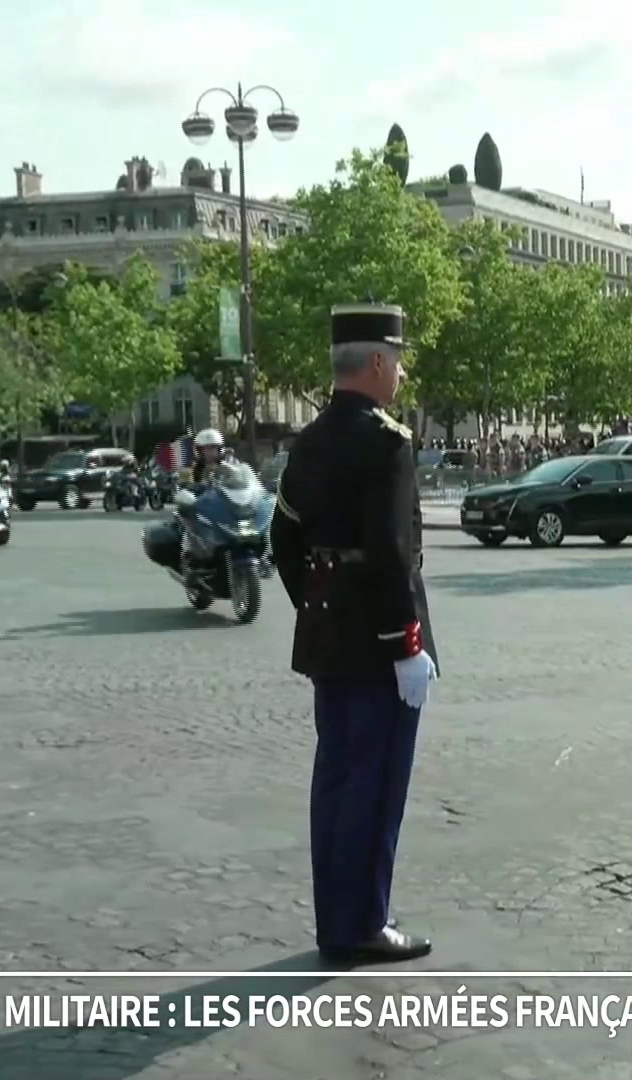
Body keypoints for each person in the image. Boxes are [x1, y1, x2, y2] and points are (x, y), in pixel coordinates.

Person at [269, 300, 437, 966]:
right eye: (396, 360)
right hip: (380, 649)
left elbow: (284, 538)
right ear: (374, 362)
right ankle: (364, 923)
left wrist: (320, 607)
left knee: (336, 782)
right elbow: (393, 553)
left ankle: (335, 922)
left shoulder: (308, 440)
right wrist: (406, 645)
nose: (400, 372)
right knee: (376, 784)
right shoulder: (387, 442)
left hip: (330, 641)